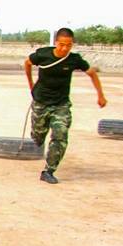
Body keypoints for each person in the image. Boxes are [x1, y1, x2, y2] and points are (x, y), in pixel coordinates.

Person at [23, 27, 107, 184]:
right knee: (38, 135)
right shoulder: (43, 54)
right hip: (41, 101)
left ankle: (49, 171)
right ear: (56, 42)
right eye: (61, 44)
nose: (64, 48)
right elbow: (27, 64)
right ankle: (37, 137)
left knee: (60, 135)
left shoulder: (74, 59)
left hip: (61, 104)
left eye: (68, 45)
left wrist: (100, 95)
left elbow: (92, 73)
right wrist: (31, 84)